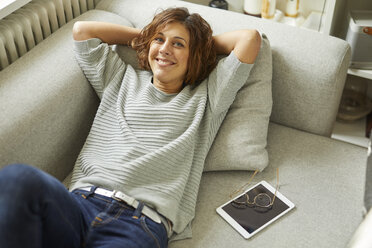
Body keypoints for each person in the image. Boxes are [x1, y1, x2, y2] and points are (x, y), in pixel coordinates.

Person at [0, 7, 261, 248]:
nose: (165, 49)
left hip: (139, 224)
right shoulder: (119, 77)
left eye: (178, 44)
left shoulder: (207, 98)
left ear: (196, 56)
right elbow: (83, 31)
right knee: (19, 178)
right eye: (160, 40)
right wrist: (149, 38)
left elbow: (249, 39)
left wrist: (200, 45)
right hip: (79, 205)